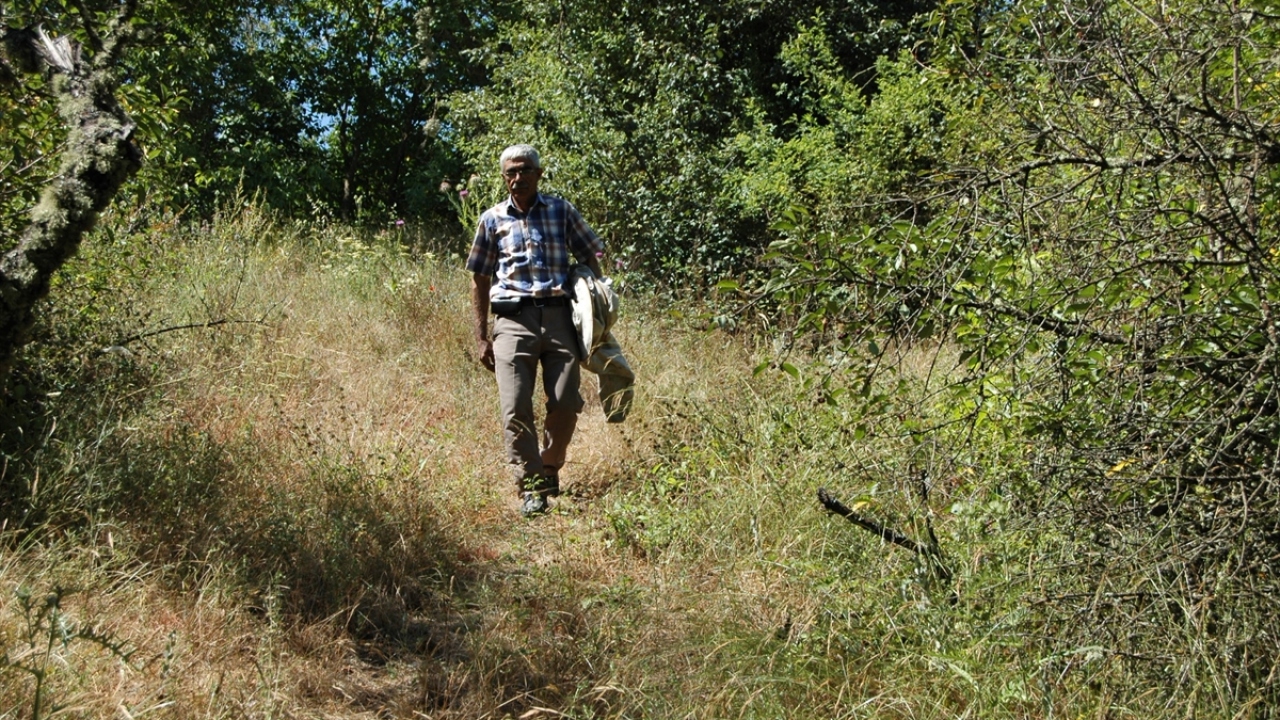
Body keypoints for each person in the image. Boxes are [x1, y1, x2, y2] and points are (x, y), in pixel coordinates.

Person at [465, 144, 604, 516]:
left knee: (566, 401)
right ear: (503, 177)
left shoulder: (561, 211)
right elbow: (479, 278)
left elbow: (591, 253)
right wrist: (481, 335)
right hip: (511, 321)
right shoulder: (492, 219)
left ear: (538, 174)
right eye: (511, 172)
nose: (518, 178)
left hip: (560, 317)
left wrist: (595, 300)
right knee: (515, 407)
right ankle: (531, 485)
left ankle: (549, 465)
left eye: (525, 170)